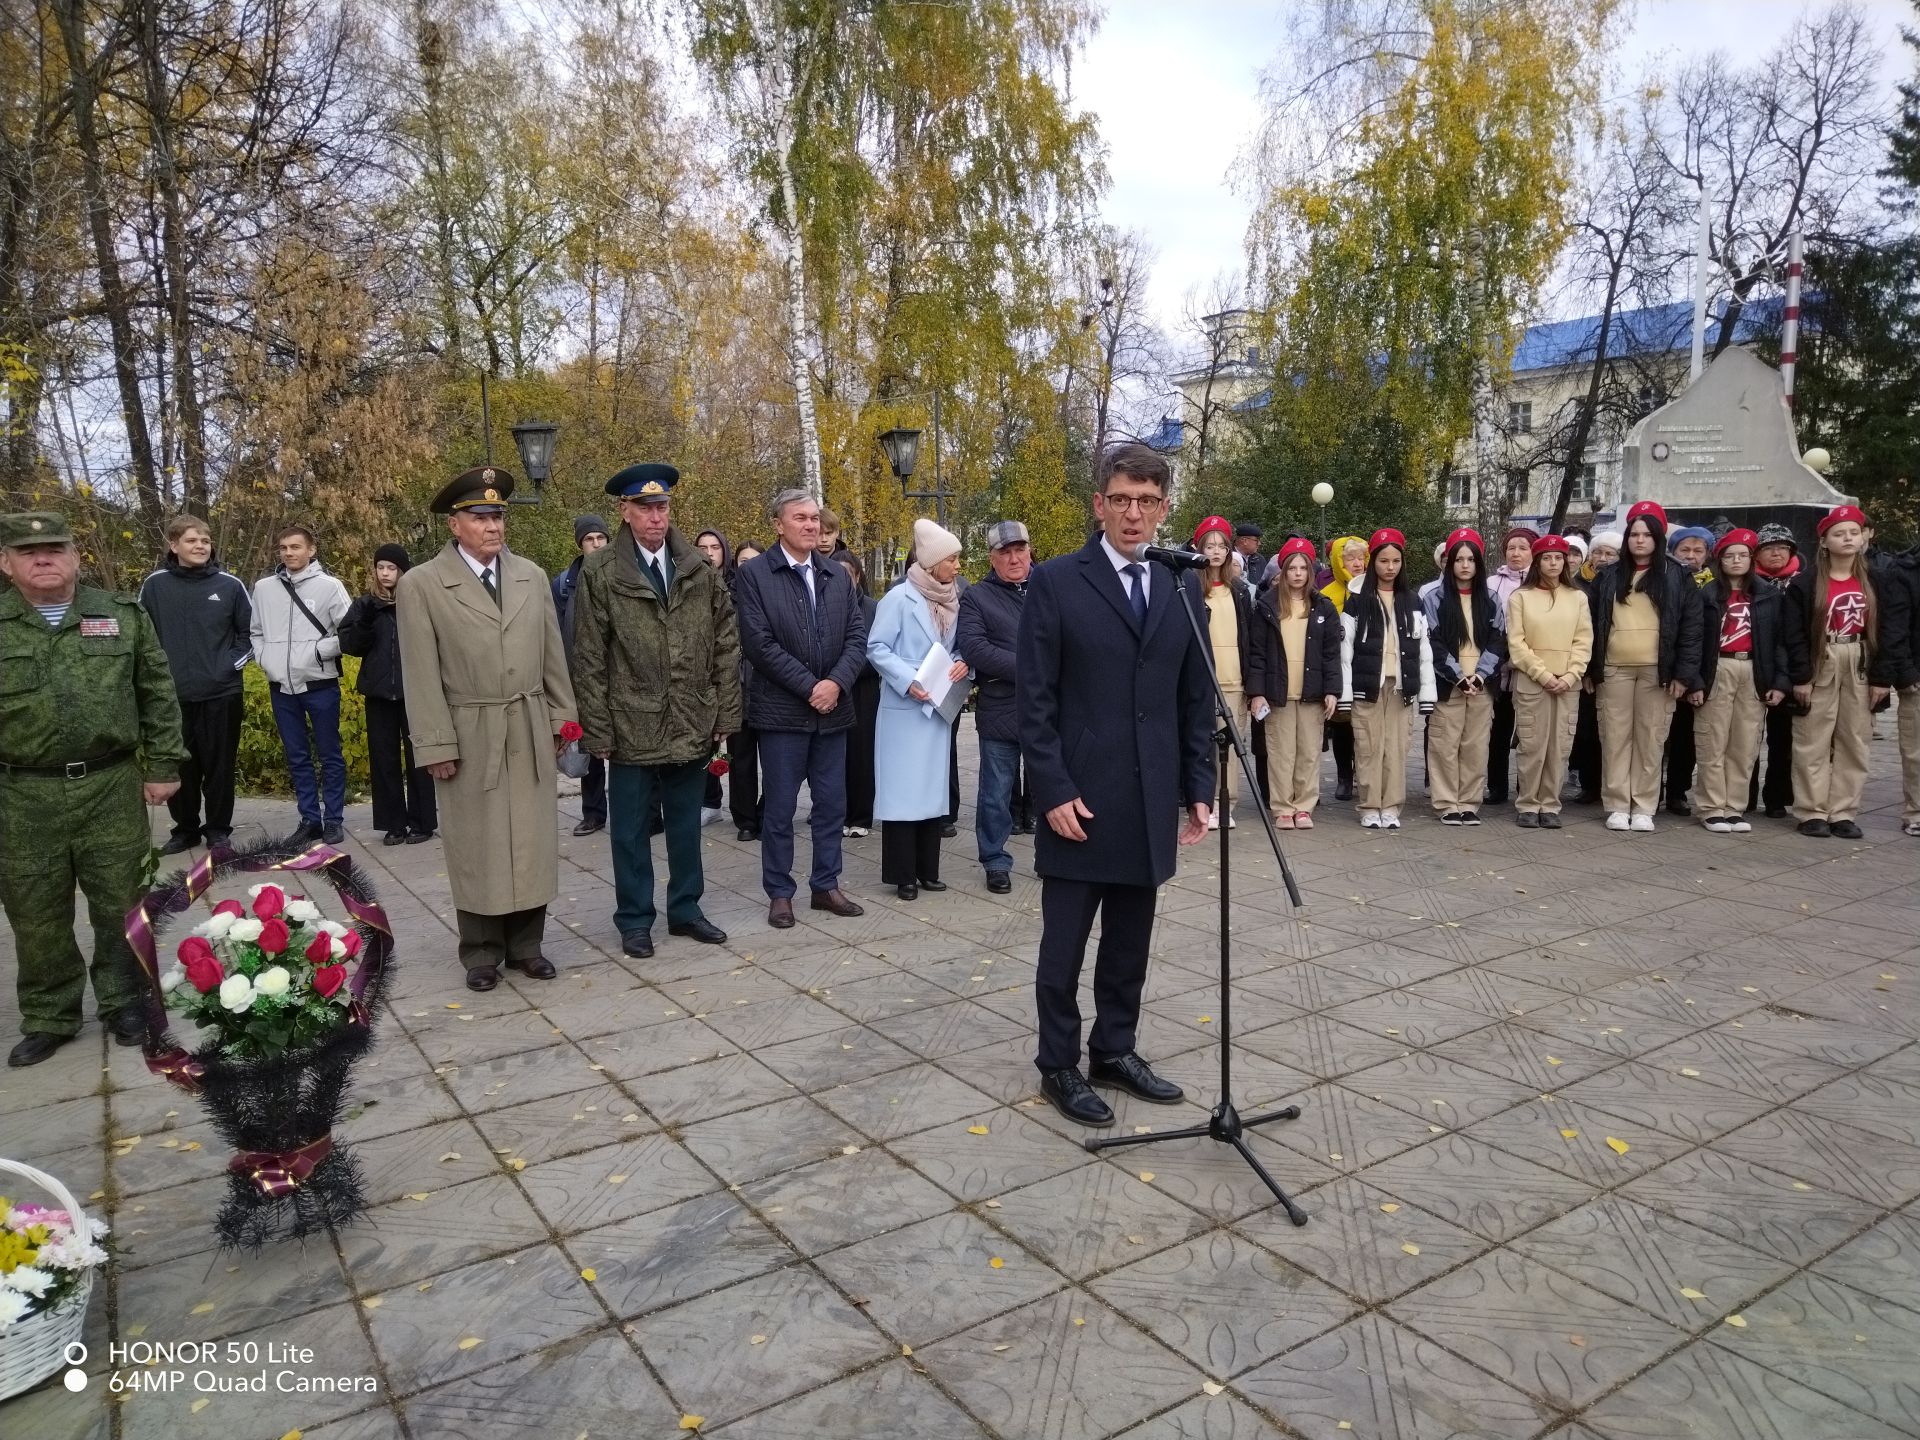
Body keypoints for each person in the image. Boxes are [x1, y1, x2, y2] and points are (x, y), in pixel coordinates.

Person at [1018, 444, 1212, 1126]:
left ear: (1164, 508)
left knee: (1132, 939)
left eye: (1148, 501)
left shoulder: (1181, 582)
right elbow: (1033, 700)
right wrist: (1051, 790)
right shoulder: (1057, 581)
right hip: (1078, 797)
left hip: (1150, 793)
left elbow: (1196, 695)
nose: (1134, 514)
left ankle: (1115, 1049)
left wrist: (1199, 786)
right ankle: (1057, 1065)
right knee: (1064, 946)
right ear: (1099, 504)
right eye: (1122, 500)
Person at [0, 511, 186, 1066]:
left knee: (121, 902)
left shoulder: (121, 615)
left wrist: (163, 765)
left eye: (55, 548)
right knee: (34, 909)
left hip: (109, 784)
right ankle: (50, 1014)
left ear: (76, 557)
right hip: (21, 794)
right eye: (29, 552)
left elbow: (156, 691)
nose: (44, 559)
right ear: (6, 563)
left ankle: (124, 1000)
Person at [397, 467, 578, 991]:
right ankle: (480, 951)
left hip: (525, 721)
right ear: (455, 525)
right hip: (469, 726)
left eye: (498, 515)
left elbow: (551, 654)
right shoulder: (422, 584)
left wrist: (560, 719)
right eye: (480, 517)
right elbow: (420, 671)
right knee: (477, 841)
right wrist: (435, 743)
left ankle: (528, 945)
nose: (493, 525)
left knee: (530, 838)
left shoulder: (530, 575)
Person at [573, 463, 741, 959]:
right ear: (624, 512)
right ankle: (634, 918)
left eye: (661, 506)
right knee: (629, 830)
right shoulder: (601, 571)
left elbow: (726, 644)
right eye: (644, 508)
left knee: (686, 824)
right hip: (630, 724)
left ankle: (686, 910)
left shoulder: (696, 567)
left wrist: (725, 715)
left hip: (691, 718)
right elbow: (588, 655)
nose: (655, 516)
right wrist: (597, 729)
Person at [733, 488, 868, 928]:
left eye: (815, 517)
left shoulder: (835, 574)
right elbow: (759, 644)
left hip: (833, 714)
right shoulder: (756, 575)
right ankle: (780, 893)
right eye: (800, 518)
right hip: (781, 715)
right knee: (780, 809)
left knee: (831, 805)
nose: (811, 525)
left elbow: (857, 637)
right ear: (778, 525)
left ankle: (825, 885)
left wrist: (836, 683)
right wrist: (812, 686)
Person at [1585, 501, 1704, 833]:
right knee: (1615, 738)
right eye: (1634, 534)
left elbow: (1692, 629)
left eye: (1646, 534)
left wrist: (1684, 674)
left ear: (1658, 538)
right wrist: (1590, 671)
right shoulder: (1608, 576)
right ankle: (1618, 805)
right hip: (1614, 670)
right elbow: (1592, 625)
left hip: (1658, 672)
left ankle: (1644, 806)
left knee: (1651, 740)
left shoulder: (1678, 576)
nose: (1639, 540)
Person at [867, 518, 970, 900]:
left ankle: (928, 869)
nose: (958, 566)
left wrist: (963, 663)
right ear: (932, 562)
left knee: (932, 791)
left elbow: (958, 646)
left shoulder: (953, 599)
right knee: (903, 794)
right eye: (953, 558)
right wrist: (908, 679)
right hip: (906, 709)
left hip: (938, 707)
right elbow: (877, 647)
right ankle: (902, 874)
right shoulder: (898, 598)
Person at [138, 514, 252, 854]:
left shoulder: (230, 586)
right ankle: (185, 829)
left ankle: (218, 830)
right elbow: (141, 636)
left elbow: (250, 634)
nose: (200, 546)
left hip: (221, 693)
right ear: (174, 546)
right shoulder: (155, 585)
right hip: (172, 697)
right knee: (181, 766)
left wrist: (227, 668)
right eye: (191, 540)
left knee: (219, 766)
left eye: (204, 540)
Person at [1783, 505, 1894, 839]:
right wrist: (1802, 676)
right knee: (1812, 739)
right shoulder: (1805, 583)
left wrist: (1881, 678)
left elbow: (1890, 629)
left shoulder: (1877, 579)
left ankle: (1843, 811)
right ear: (1824, 541)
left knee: (1854, 740)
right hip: (1823, 658)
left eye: (1854, 532)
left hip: (1859, 657)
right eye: (1839, 533)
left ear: (1863, 537)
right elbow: (1794, 633)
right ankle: (1812, 811)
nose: (1848, 538)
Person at [250, 524, 351, 843]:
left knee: (329, 753)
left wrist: (322, 651)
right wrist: (265, 657)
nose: (289, 553)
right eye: (284, 548)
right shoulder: (264, 588)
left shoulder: (329, 587)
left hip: (320, 684)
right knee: (297, 755)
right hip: (281, 687)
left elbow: (349, 630)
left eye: (295, 547)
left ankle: (333, 818)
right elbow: (255, 631)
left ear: (311, 551)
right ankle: (309, 819)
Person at [339, 544, 437, 846]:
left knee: (419, 757)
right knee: (384, 759)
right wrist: (366, 622)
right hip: (379, 692)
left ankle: (422, 821)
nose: (385, 573)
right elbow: (350, 645)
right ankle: (393, 823)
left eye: (391, 568)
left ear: (402, 571)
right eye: (380, 567)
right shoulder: (364, 604)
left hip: (414, 691)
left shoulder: (418, 601)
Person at [1338, 528, 1435, 829]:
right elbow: (1345, 649)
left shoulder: (1413, 600)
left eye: (1395, 561)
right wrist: (1344, 693)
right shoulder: (1357, 600)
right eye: (1383, 561)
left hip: (1400, 687)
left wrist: (1427, 694)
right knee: (1368, 748)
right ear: (1373, 563)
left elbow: (1424, 649)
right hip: (1367, 687)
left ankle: (1391, 806)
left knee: (1396, 749)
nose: (1390, 567)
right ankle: (1369, 805)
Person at [1694, 529, 1790, 834]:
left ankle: (1734, 807)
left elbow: (1779, 642)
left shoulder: (1767, 595)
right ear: (1719, 560)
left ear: (1752, 559)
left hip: (1753, 670)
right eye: (1729, 555)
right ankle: (1711, 807)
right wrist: (1694, 680)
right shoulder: (1706, 594)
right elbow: (1694, 639)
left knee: (1745, 743)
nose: (1736, 561)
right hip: (1718, 667)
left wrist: (1779, 681)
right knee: (1713, 741)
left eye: (1743, 555)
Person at [1247, 537, 1341, 828]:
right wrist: (1257, 693)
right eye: (1292, 568)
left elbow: (1331, 654)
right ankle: (1283, 807)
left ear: (1310, 572)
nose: (1298, 573)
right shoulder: (1266, 607)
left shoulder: (1323, 606)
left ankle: (1304, 806)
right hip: (1279, 693)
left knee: (1309, 753)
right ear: (1283, 571)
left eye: (1304, 568)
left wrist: (1332, 690)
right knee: (1281, 753)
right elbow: (1257, 653)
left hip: (1312, 693)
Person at [956, 520, 1030, 890]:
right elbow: (973, 647)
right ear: (992, 557)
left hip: (1046, 708)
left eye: (1019, 549)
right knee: (995, 793)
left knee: (1052, 789)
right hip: (1001, 707)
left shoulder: (1048, 587)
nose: (1014, 558)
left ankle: (1055, 855)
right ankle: (995, 860)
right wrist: (1030, 668)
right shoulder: (977, 596)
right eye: (1005, 552)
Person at [1505, 535, 1592, 829]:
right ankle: (1528, 804)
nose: (1553, 563)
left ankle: (1550, 804)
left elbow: (1584, 640)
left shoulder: (1578, 597)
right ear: (1537, 561)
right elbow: (1516, 643)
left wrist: (1570, 674)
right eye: (1546, 557)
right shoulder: (1521, 597)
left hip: (1568, 683)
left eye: (1558, 557)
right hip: (1532, 682)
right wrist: (1542, 674)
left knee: (1560, 746)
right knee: (1532, 746)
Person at [1423, 528, 1504, 825]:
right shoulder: (1434, 598)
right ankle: (1446, 803)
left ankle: (1469, 802)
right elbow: (1432, 641)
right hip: (1449, 685)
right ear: (1449, 563)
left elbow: (1498, 640)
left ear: (1479, 563)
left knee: (1475, 747)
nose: (1465, 565)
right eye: (1459, 559)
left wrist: (1480, 675)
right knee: (1445, 745)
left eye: (1471, 559)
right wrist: (1458, 676)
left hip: (1481, 686)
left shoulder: (1492, 598)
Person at [1192, 515, 1259, 827]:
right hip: (1202, 680)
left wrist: (1252, 684)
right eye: (1210, 545)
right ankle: (1202, 802)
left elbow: (1249, 639)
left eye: (1221, 545)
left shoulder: (1240, 592)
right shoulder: (1191, 589)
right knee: (1201, 745)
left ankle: (1225, 803)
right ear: (1199, 548)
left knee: (1229, 747)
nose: (1216, 551)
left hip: (1234, 680)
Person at [552, 515, 612, 836]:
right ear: (580, 544)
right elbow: (556, 634)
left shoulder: (621, 574)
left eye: (601, 538)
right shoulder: (564, 584)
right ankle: (593, 813)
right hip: (581, 679)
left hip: (618, 679)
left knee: (627, 750)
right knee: (589, 749)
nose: (596, 544)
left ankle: (638, 812)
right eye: (590, 539)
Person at [1661, 524, 1717, 817]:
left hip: (1697, 670)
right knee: (1658, 735)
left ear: (1707, 555)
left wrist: (1693, 677)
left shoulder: (1711, 586)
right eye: (1685, 550)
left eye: (1698, 551)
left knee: (1685, 737)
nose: (1691, 556)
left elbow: (1699, 636)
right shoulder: (1666, 580)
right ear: (1673, 552)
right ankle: (1651, 789)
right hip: (1665, 669)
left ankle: (1677, 792)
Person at [1751, 522, 1801, 819]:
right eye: (1769, 548)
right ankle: (1743, 797)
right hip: (1752, 668)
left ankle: (1777, 798)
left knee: (1783, 739)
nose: (1776, 553)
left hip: (1789, 671)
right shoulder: (1745, 581)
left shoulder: (1801, 582)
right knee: (1747, 739)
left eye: (1782, 547)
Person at [1484, 527, 1534, 807]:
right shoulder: (1492, 583)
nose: (1516, 553)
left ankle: (1525, 787)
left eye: (1523, 547)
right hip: (1498, 667)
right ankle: (1497, 787)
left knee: (1528, 733)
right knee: (1498, 733)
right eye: (1511, 547)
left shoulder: (1541, 582)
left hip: (1529, 668)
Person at [835, 552, 881, 837]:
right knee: (836, 757)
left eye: (847, 575)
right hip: (834, 690)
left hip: (863, 689)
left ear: (857, 576)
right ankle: (839, 814)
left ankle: (861, 817)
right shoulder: (824, 606)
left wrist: (844, 670)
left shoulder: (873, 609)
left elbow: (876, 651)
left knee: (862, 755)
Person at [1321, 534, 1369, 800]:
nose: (1357, 563)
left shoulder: (1373, 590)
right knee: (1342, 724)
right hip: (1339, 667)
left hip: (1366, 667)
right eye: (1350, 558)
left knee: (1365, 725)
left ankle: (1365, 775)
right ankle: (1343, 776)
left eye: (1361, 557)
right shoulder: (1327, 595)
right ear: (1338, 562)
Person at [728, 541, 765, 839]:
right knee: (741, 761)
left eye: (754, 560)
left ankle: (767, 811)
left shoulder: (772, 596)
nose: (748, 566)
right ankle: (745, 820)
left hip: (769, 692)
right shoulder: (727, 600)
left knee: (778, 763)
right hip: (736, 692)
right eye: (743, 561)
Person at [1234, 522, 1269, 588]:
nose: (1259, 543)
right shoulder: (1228, 558)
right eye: (1256, 540)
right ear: (1244, 541)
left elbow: (1264, 585)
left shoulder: (1259, 559)